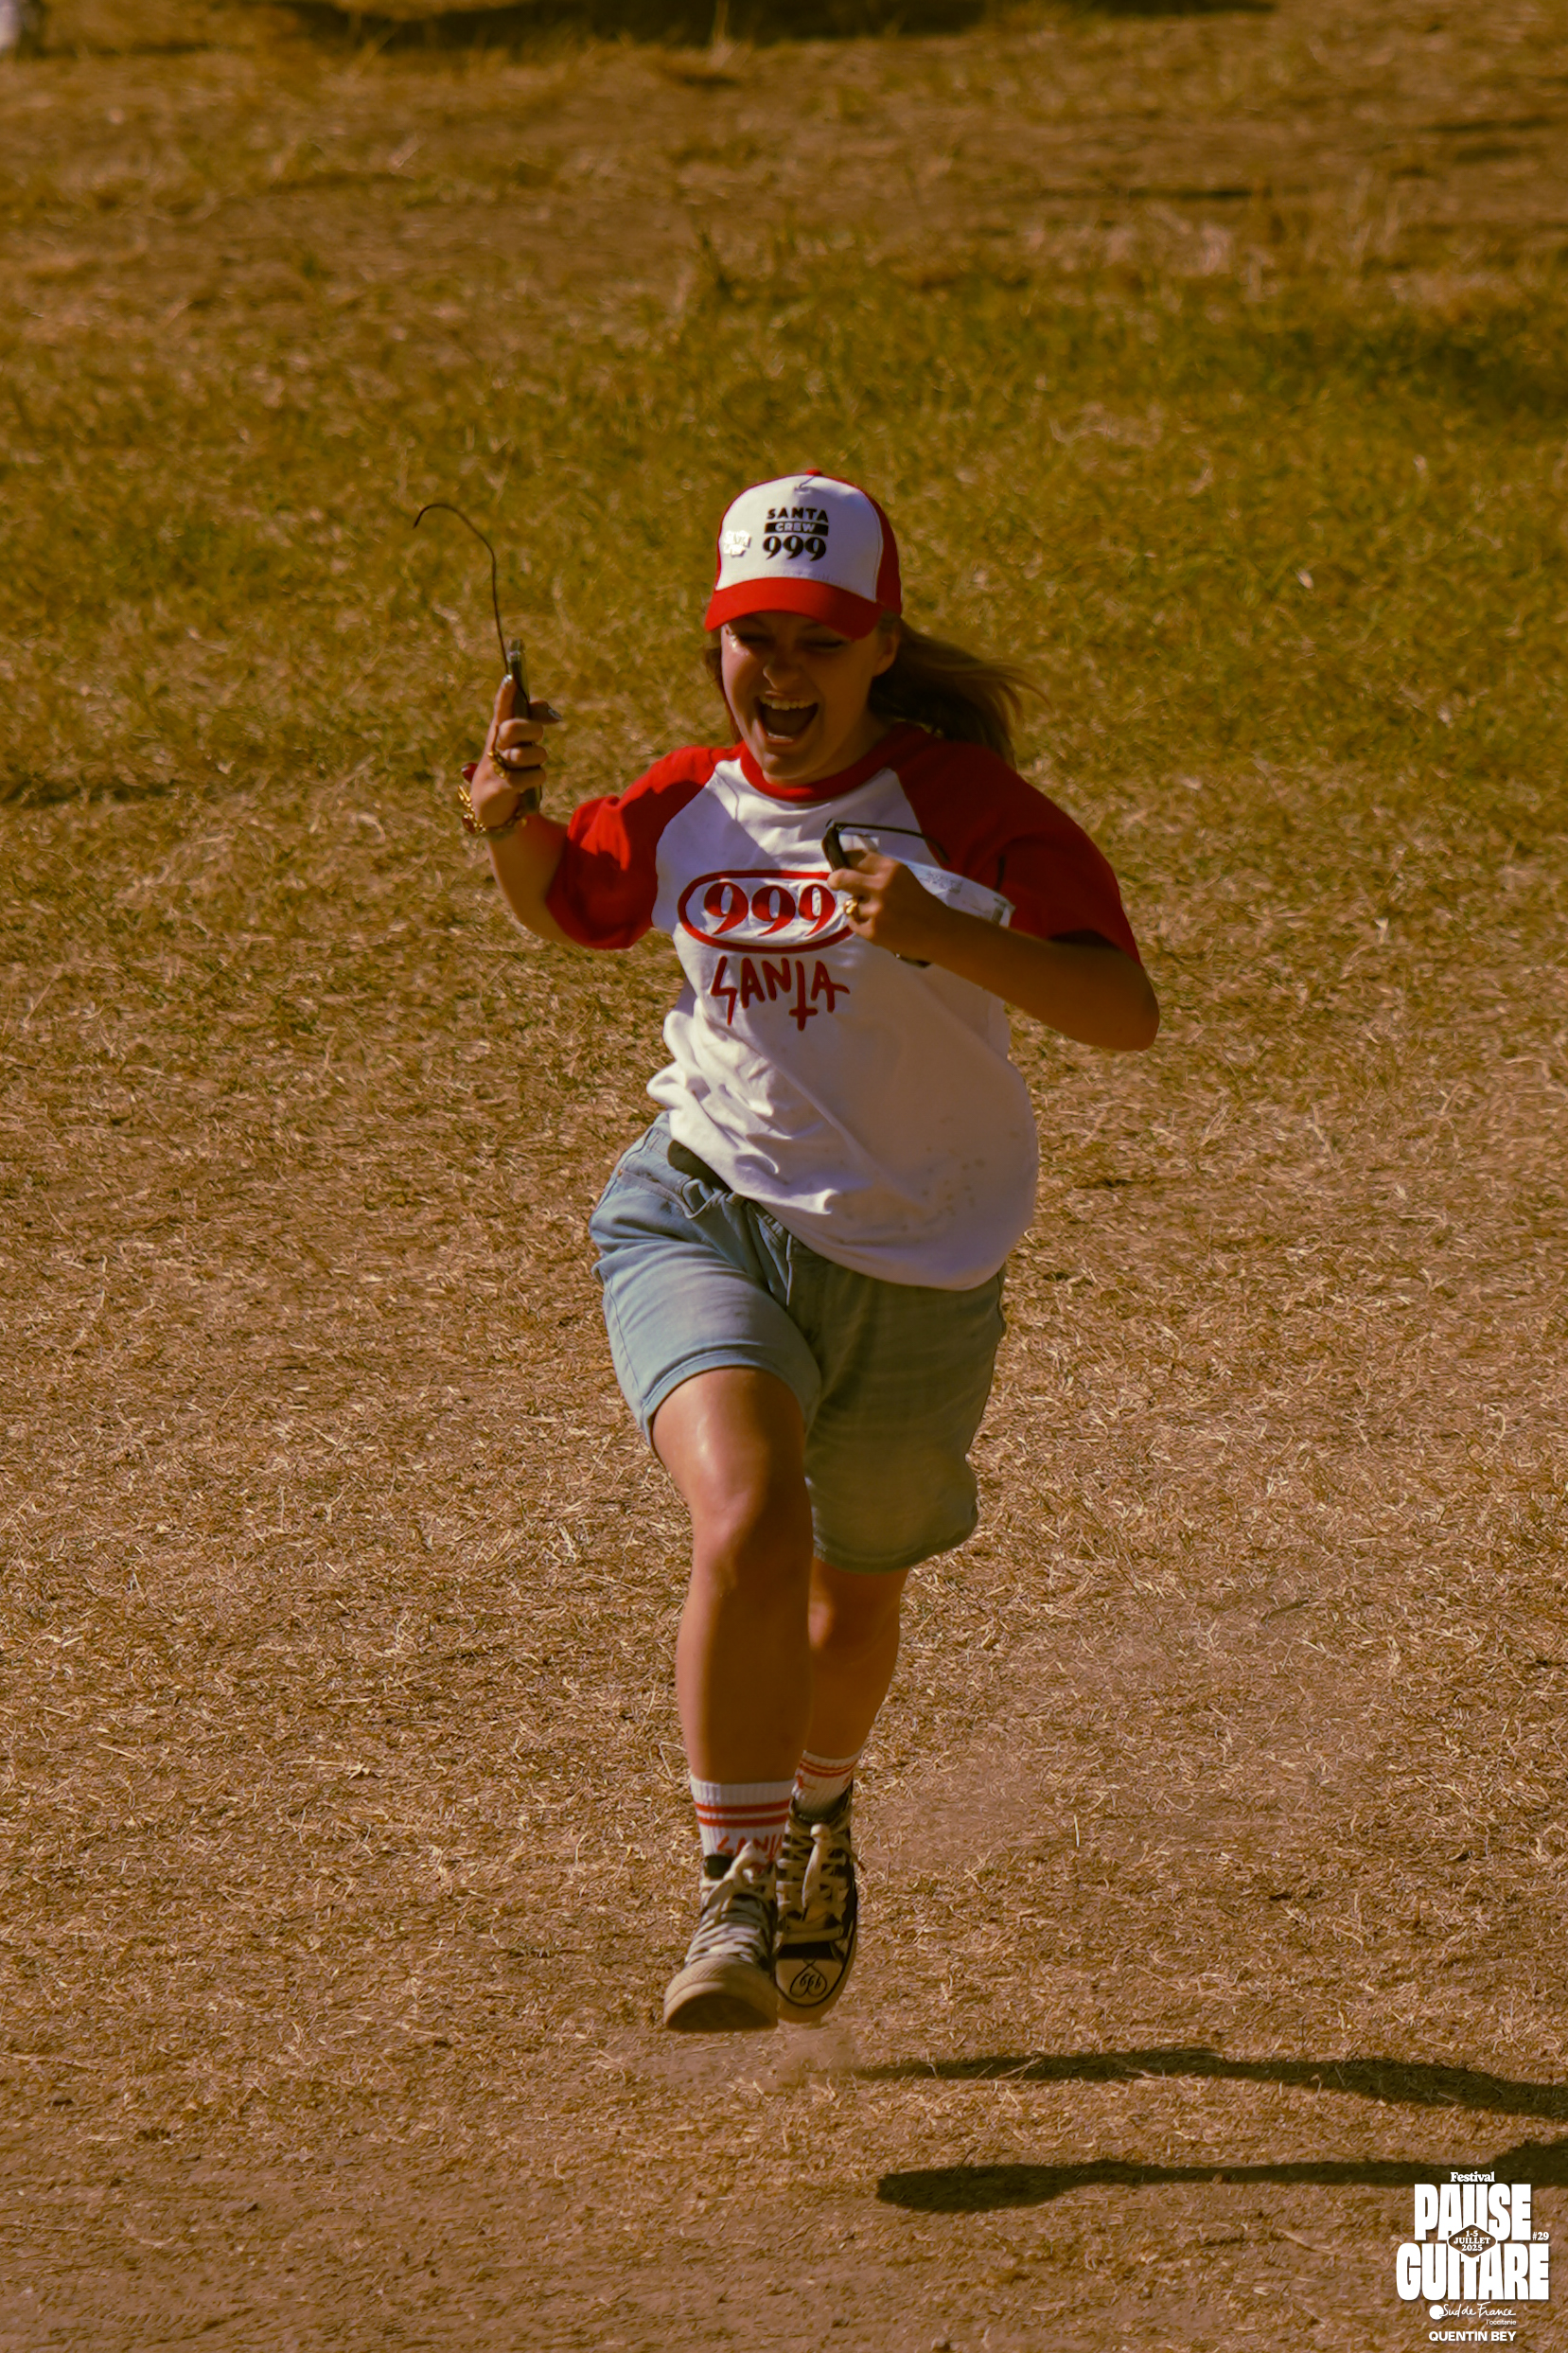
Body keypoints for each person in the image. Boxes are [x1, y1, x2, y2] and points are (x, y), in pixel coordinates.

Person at [459, 470, 1158, 2033]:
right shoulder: (686, 798)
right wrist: (506, 823)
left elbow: (1122, 1013)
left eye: (817, 643)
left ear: (881, 647)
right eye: (752, 638)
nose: (779, 674)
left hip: (918, 1261)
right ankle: (734, 1881)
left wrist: (940, 929)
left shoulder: (967, 813)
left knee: (849, 1611)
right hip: (702, 1207)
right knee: (749, 1510)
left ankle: (820, 1807)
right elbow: (573, 902)